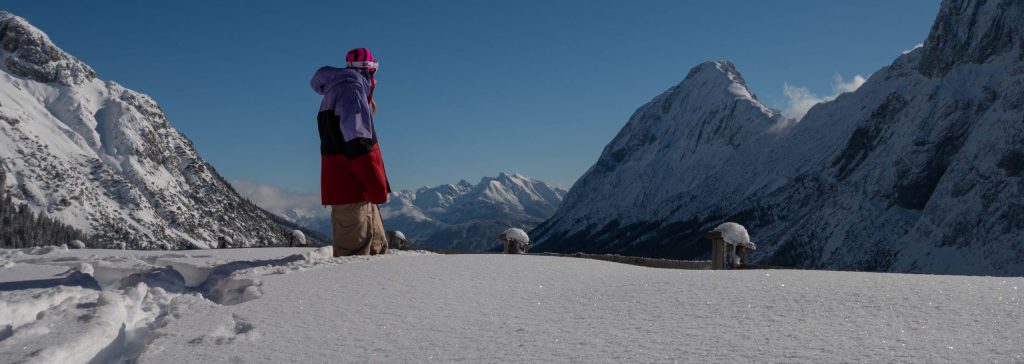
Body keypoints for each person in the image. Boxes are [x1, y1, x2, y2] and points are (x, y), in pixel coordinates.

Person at [310, 47, 390, 257]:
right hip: (352, 187)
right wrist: (376, 183)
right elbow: (359, 144)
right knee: (353, 263)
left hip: (355, 188)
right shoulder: (351, 91)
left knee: (374, 254)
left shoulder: (338, 90)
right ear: (369, 70)